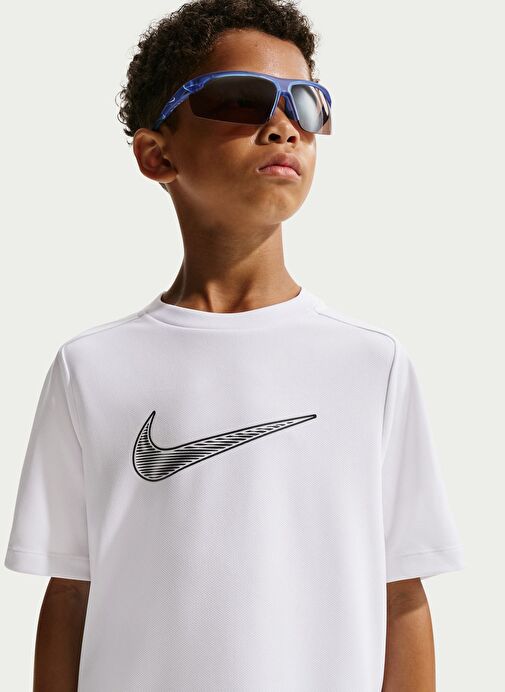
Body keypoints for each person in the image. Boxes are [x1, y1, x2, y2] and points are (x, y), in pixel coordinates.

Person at [4, 1, 465, 690]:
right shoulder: (90, 369)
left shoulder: (373, 366)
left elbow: (402, 594)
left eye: (304, 103)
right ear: (156, 155)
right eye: (241, 100)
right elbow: (71, 593)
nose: (282, 125)